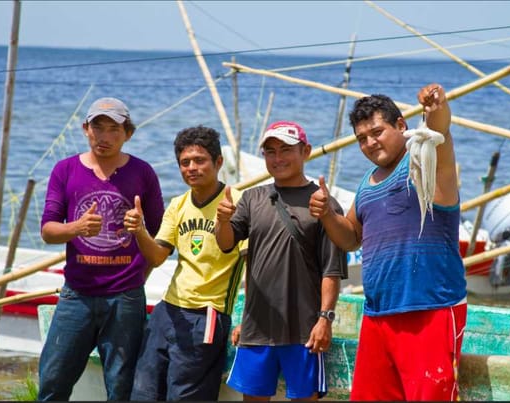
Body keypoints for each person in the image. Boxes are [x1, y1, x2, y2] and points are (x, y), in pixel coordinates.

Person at [309, 83, 467, 401]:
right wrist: (326, 213)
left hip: (430, 309)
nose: (369, 143)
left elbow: (438, 133)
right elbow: (351, 239)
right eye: (361, 139)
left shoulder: (425, 162)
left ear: (401, 125)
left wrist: (435, 107)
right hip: (378, 316)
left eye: (377, 132)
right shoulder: (367, 185)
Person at [38, 97, 164, 401]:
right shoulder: (65, 170)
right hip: (76, 295)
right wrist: (77, 228)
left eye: (113, 130)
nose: (104, 137)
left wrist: (140, 235)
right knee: (52, 383)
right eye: (98, 128)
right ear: (85, 129)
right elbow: (48, 231)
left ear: (128, 134)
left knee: (120, 389)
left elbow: (161, 239)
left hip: (125, 298)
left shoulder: (142, 172)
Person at [215, 120, 348, 401]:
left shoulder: (323, 203)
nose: (278, 158)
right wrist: (221, 219)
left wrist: (325, 319)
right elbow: (226, 243)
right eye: (270, 151)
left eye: (286, 150)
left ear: (306, 151)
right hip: (256, 330)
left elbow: (331, 270)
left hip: (304, 332)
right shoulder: (252, 198)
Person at [127, 126, 247, 401]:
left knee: (184, 396)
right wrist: (139, 231)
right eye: (185, 162)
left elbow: (253, 266)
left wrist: (249, 318)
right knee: (143, 393)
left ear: (218, 163)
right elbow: (157, 257)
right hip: (167, 311)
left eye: (199, 160)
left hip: (207, 316)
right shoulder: (178, 204)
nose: (191, 168)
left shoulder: (237, 203)